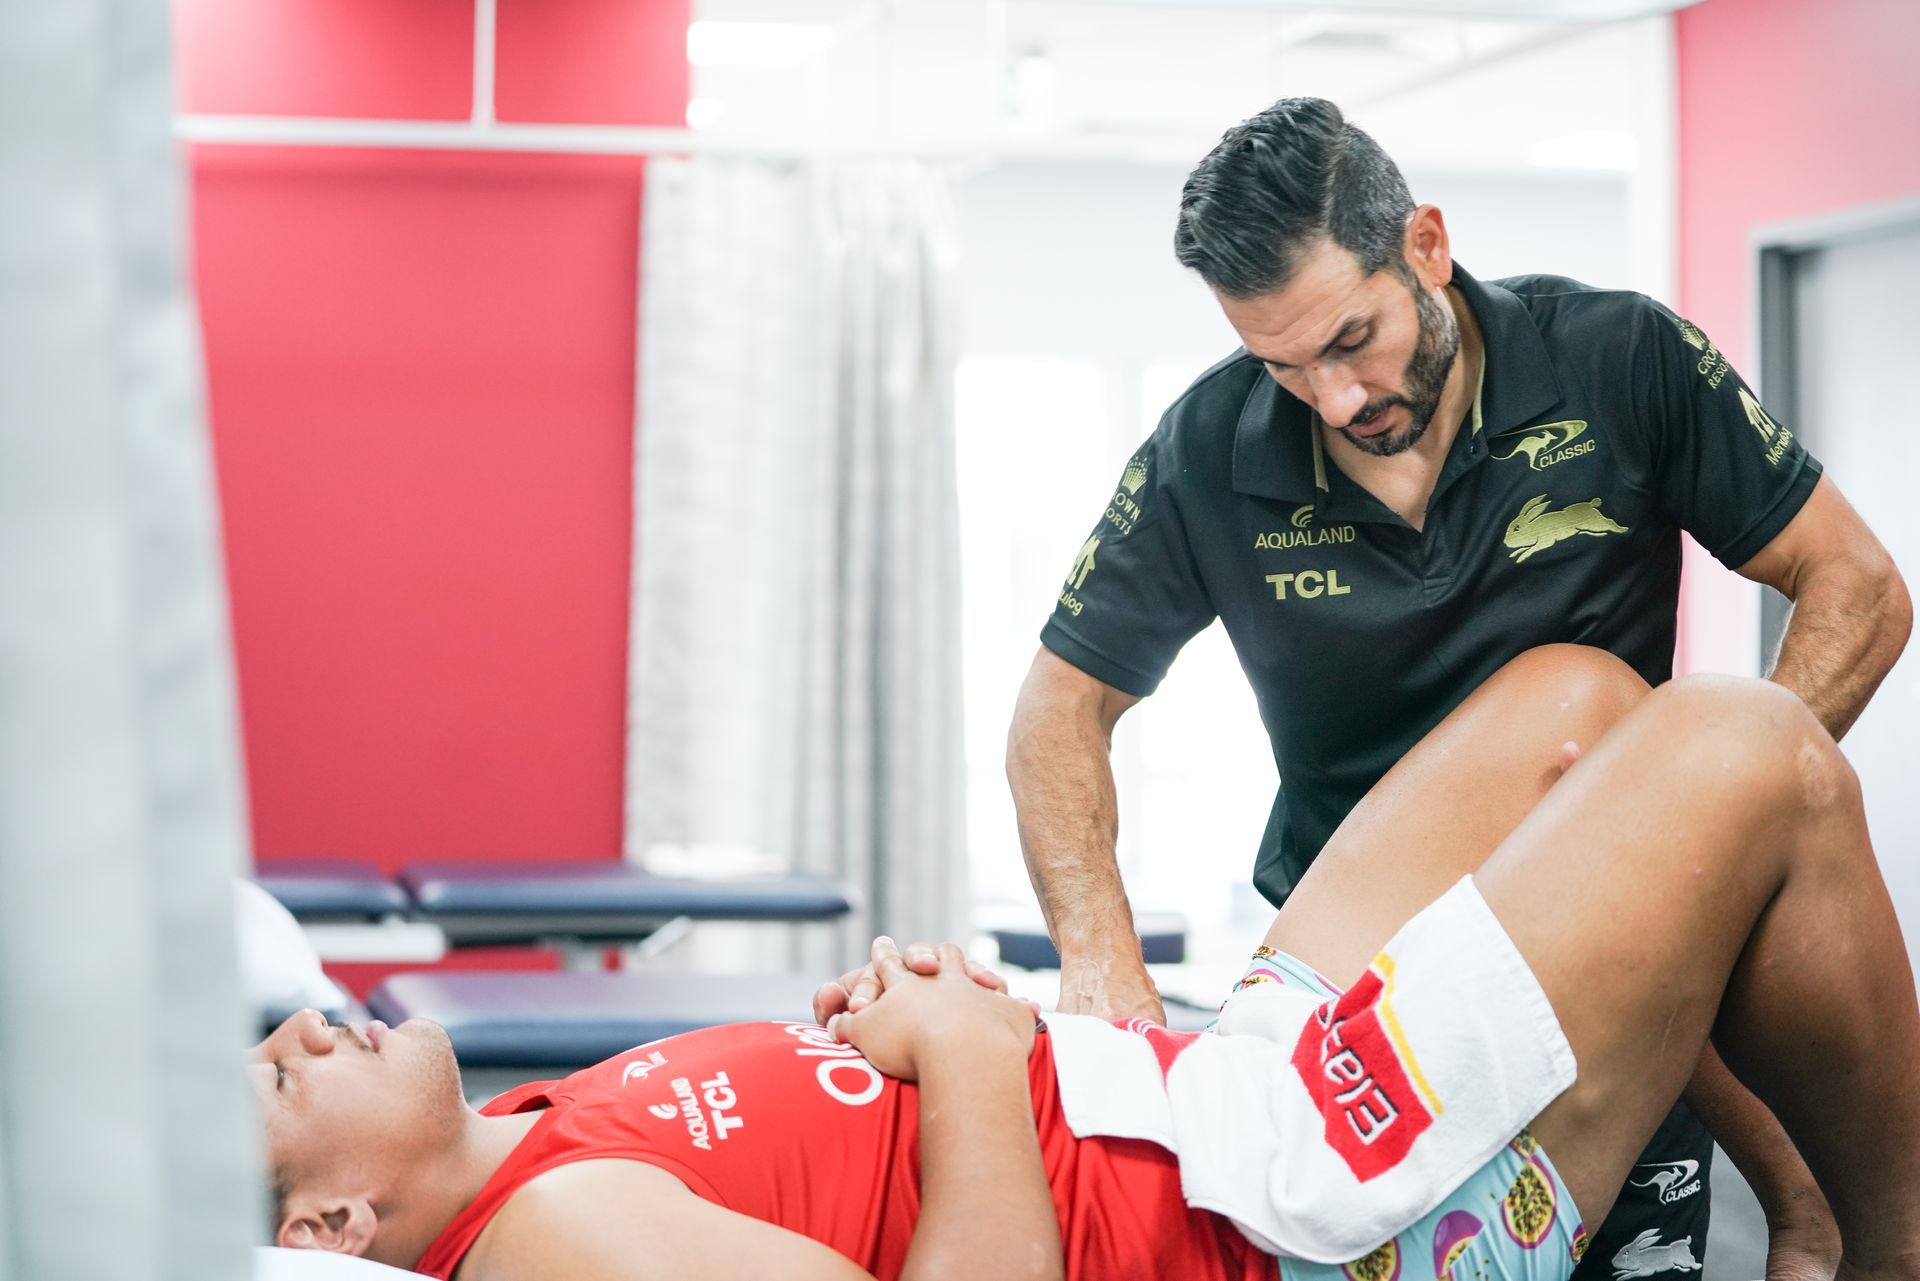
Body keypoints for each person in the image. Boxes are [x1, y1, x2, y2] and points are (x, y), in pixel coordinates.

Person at [1009, 96, 1912, 1276]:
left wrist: (1715, 805)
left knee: (1608, 721)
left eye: (1350, 341)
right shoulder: (1209, 448)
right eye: (1282, 366)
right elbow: (1058, 710)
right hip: (1364, 996)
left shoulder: (1620, 358)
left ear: (1426, 245)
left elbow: (1856, 584)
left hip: (1619, 967)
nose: (1334, 399)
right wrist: (1100, 963)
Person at [258, 648, 1920, 1281]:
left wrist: (913, 1034)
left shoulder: (535, 1134)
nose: (304, 1032)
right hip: (1298, 1224)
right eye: (282, 1078)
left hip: (1209, 1101)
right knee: (1743, 746)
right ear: (326, 1228)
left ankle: (1808, 1205)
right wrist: (970, 1045)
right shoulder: (541, 1240)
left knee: (1572, 697)